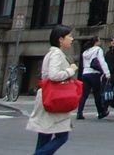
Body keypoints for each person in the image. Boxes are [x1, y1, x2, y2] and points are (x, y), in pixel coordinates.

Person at [28, 25, 78, 155]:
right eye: (70, 36)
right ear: (61, 39)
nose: (72, 39)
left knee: (44, 136)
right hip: (54, 98)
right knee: (62, 136)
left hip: (48, 96)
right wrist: (70, 70)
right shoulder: (56, 54)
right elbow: (54, 75)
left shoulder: (53, 53)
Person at [74, 37, 109, 120]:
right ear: (96, 42)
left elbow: (84, 63)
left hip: (85, 74)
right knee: (97, 94)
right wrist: (107, 73)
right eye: (99, 40)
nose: (100, 42)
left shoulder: (85, 52)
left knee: (84, 94)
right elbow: (102, 61)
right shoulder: (98, 50)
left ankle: (79, 113)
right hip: (94, 74)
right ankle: (101, 112)